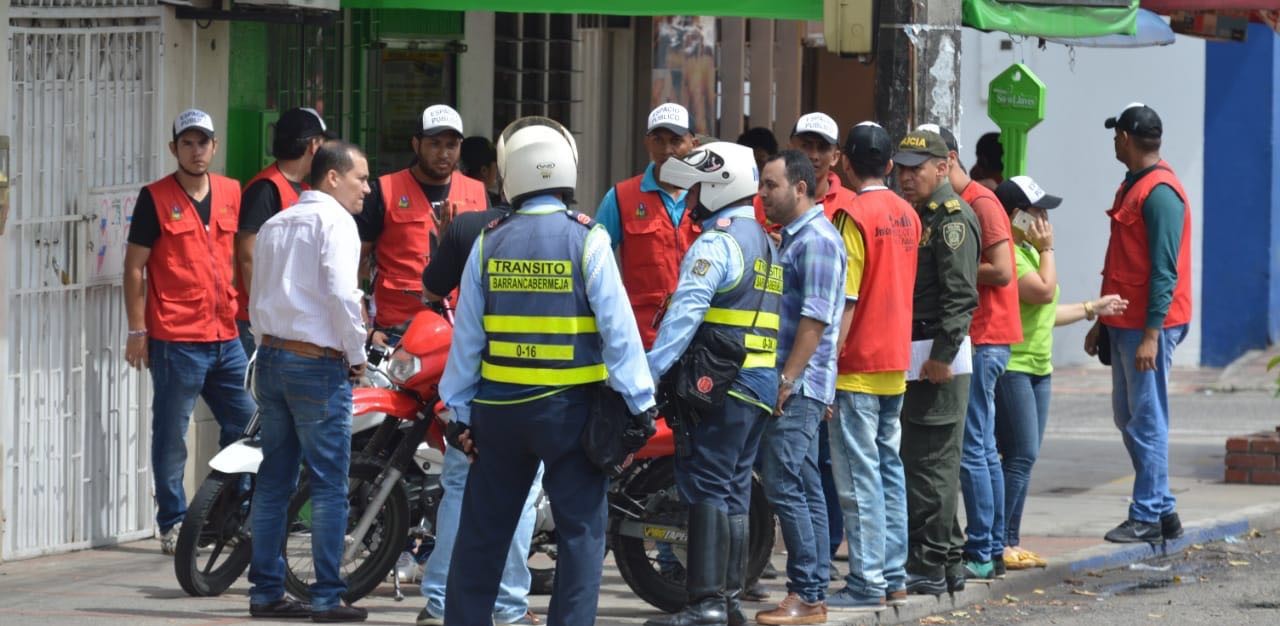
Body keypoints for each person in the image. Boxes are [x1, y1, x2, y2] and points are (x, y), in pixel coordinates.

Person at [441, 116, 656, 626]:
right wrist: (639, 404)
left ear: (510, 175)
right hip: (571, 415)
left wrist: (459, 414)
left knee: (482, 535)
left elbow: (466, 340)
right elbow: (619, 332)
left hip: (498, 413)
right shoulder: (588, 240)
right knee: (581, 534)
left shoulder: (488, 243)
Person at [645, 142, 782, 626]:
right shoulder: (767, 243)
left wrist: (647, 373)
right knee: (734, 489)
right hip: (760, 385)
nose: (695, 195)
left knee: (707, 486)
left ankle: (704, 603)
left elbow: (684, 316)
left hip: (722, 386)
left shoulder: (717, 241)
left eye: (701, 184)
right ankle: (726, 602)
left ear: (722, 185)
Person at [245, 140, 371, 622]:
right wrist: (356, 354)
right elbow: (344, 294)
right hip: (315, 364)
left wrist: (266, 343)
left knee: (275, 480)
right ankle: (325, 597)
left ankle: (266, 592)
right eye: (360, 177)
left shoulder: (277, 222)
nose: (367, 187)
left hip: (273, 355)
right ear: (332, 177)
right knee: (328, 484)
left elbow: (256, 293)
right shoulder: (336, 222)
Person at [122, 109, 255, 555]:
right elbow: (135, 268)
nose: (196, 151)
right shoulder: (155, 197)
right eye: (188, 143)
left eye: (204, 143)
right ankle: (173, 522)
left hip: (225, 335)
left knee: (246, 425)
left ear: (215, 146)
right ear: (174, 148)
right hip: (176, 338)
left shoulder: (232, 192)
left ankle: (227, 516)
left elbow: (243, 255)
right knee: (172, 435)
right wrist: (137, 330)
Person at [415, 200, 544, 626]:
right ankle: (507, 608)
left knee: (458, 487)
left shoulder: (468, 227)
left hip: (477, 385)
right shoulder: (566, 230)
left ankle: (439, 601)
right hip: (533, 383)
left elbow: (432, 290)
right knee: (521, 495)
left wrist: (445, 242)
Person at [992, 175, 1128, 569]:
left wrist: (1092, 308)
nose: (1044, 219)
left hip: (1038, 366)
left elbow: (1048, 311)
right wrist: (1048, 248)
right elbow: (1043, 292)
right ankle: (1002, 541)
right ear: (1015, 217)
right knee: (1019, 455)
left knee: (1023, 457)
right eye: (1037, 212)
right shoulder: (1013, 256)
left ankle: (1008, 539)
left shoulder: (1031, 253)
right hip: (1013, 366)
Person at [824, 122, 921, 611]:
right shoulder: (909, 214)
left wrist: (825, 367)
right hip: (894, 364)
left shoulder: (851, 216)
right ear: (888, 164)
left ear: (844, 162)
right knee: (888, 471)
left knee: (859, 478)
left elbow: (846, 299)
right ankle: (894, 574)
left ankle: (866, 580)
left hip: (857, 365)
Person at [754, 111, 855, 574]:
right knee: (805, 482)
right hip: (803, 384)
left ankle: (806, 588)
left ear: (799, 188)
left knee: (782, 484)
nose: (763, 195)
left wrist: (788, 379)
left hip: (797, 386)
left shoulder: (814, 240)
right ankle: (812, 581)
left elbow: (816, 319)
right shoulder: (794, 238)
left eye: (770, 186)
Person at [1086, 103, 1192, 544]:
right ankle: (1163, 509)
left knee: (1146, 419)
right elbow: (1122, 261)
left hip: (1151, 326)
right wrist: (1101, 320)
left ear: (1127, 139)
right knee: (1128, 416)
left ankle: (1147, 513)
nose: (1113, 141)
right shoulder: (1135, 186)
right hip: (1124, 321)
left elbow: (1165, 271)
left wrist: (1151, 334)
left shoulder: (1160, 193)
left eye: (1116, 135)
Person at [925, 124, 1022, 581]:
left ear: (948, 161)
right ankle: (993, 545)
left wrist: (948, 265)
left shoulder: (980, 203)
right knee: (981, 449)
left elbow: (1003, 272)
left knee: (974, 449)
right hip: (981, 337)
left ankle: (983, 547)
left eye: (924, 165)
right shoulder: (956, 206)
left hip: (984, 337)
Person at [891, 129, 980, 596]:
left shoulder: (951, 219)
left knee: (931, 465)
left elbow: (962, 295)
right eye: (902, 169)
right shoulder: (923, 215)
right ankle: (946, 560)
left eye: (916, 169)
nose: (906, 177)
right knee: (925, 461)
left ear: (943, 167)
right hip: (920, 352)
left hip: (936, 355)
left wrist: (943, 355)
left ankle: (926, 565)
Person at [356, 104, 489, 331]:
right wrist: (364, 327)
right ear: (416, 145)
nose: (444, 153)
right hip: (398, 331)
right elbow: (355, 263)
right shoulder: (384, 189)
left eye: (451, 145)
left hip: (461, 328)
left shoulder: (478, 192)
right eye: (434, 144)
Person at [595, 103, 699, 347]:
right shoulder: (621, 196)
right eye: (658, 140)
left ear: (694, 144)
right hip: (640, 338)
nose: (667, 149)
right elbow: (594, 262)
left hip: (698, 335)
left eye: (676, 140)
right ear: (647, 143)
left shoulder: (709, 197)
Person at [233, 107, 331, 359]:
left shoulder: (305, 189)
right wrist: (264, 311)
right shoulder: (266, 189)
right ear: (313, 145)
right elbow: (247, 256)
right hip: (264, 323)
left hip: (290, 320)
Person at [459, 135, 503, 207]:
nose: (497, 171)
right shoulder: (494, 204)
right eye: (496, 166)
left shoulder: (454, 195)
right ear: (484, 171)